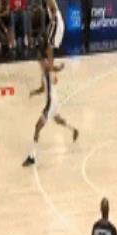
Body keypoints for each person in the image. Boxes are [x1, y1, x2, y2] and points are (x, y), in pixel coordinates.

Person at [22, 38, 78, 167]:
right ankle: (73, 130)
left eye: (38, 58)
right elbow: (43, 89)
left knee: (37, 127)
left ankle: (32, 157)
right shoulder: (44, 71)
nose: (37, 60)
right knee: (57, 120)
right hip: (54, 100)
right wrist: (34, 92)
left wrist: (60, 68)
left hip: (51, 102)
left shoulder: (46, 66)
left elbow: (52, 67)